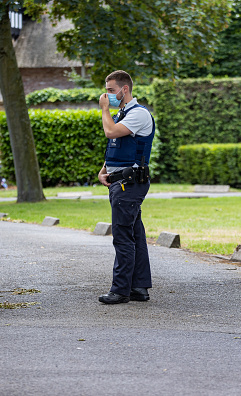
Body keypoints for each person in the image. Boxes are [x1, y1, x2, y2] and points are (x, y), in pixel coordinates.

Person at [97, 70, 155, 304]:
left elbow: (110, 131)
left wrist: (104, 110)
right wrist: (105, 169)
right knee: (134, 234)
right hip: (121, 180)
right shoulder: (124, 113)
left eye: (111, 91)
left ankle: (120, 290)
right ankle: (139, 288)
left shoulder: (139, 114)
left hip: (129, 183)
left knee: (122, 236)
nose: (107, 95)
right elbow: (117, 143)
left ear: (125, 89)